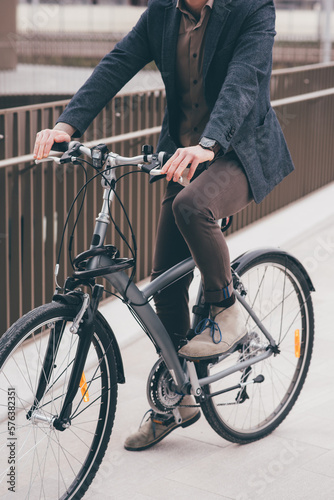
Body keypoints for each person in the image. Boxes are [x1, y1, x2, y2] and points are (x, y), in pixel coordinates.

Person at [34, 0, 294, 451]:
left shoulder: (253, 9)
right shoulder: (163, 13)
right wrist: (67, 125)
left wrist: (210, 144)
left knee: (192, 207)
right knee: (166, 281)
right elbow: (118, 62)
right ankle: (179, 399)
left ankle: (225, 306)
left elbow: (243, 82)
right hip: (181, 157)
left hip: (237, 152)